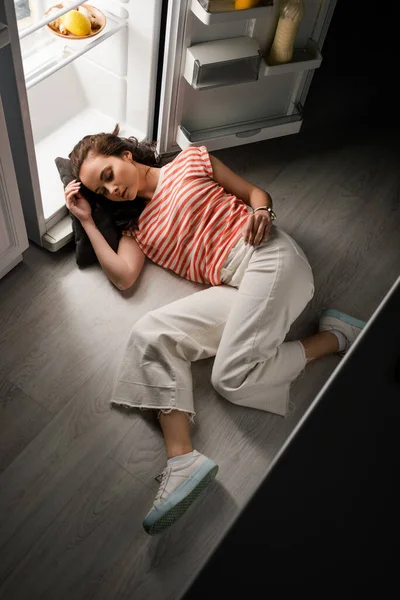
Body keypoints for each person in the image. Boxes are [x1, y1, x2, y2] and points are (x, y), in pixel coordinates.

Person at [65, 125, 366, 535]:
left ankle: (334, 338)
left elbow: (256, 194)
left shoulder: (189, 161)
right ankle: (182, 461)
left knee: (230, 379)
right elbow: (122, 277)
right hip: (233, 285)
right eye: (101, 191)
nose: (111, 191)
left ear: (126, 155)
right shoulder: (137, 231)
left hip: (267, 255)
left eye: (108, 175)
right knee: (150, 332)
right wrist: (87, 219)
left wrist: (263, 212)